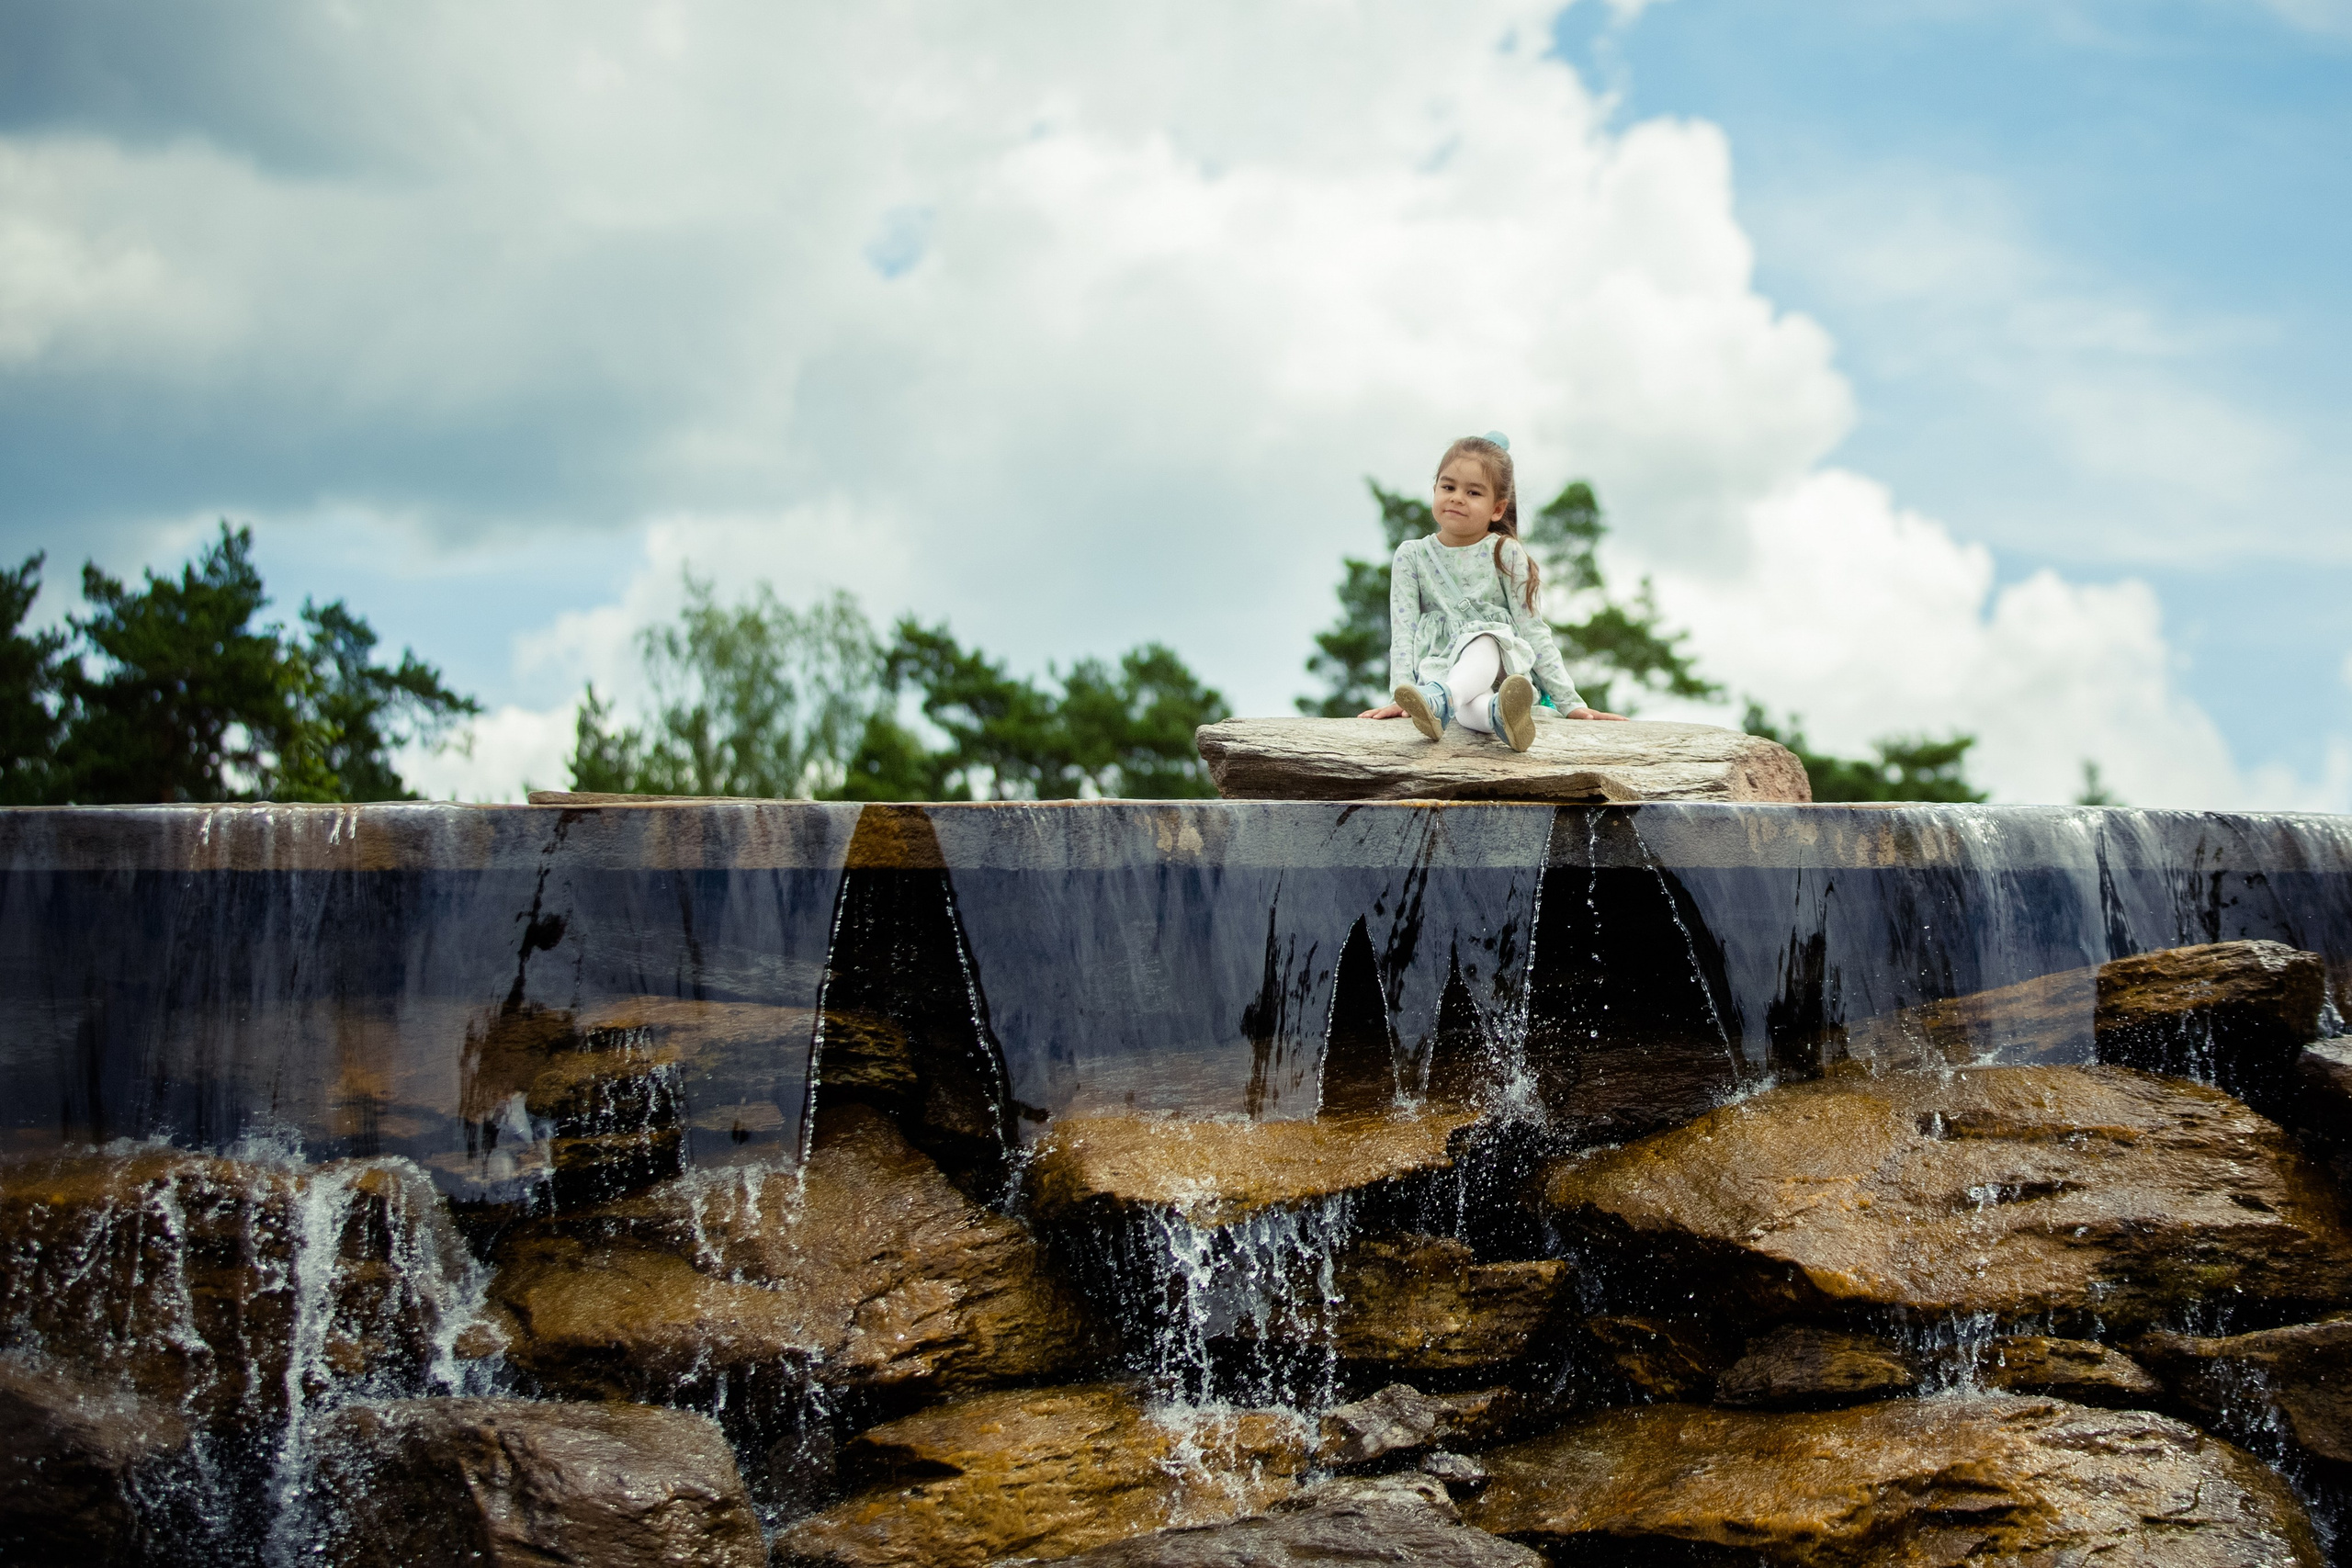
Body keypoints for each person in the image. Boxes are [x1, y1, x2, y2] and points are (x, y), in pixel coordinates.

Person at [1360, 432, 1627, 750]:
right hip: (1442, 670)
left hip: (1502, 666)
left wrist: (1570, 703)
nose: (1457, 497)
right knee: (1475, 702)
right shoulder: (1411, 555)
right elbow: (1403, 632)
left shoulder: (1505, 552)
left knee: (1485, 636)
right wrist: (1399, 695)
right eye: (1448, 487)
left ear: (1497, 509)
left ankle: (1441, 700)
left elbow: (1533, 630)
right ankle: (1497, 717)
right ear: (1434, 491)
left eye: (1473, 492)